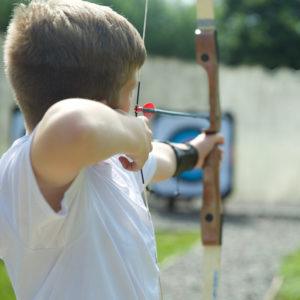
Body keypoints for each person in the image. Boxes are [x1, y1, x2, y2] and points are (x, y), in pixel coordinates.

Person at [0, 0, 224, 299]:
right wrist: (133, 132)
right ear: (104, 105)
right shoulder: (26, 178)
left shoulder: (114, 161)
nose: (134, 103)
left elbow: (163, 158)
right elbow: (73, 127)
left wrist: (198, 152)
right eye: (131, 88)